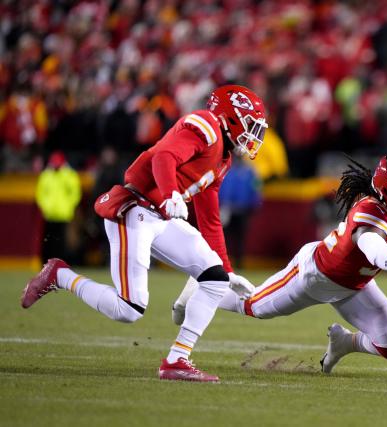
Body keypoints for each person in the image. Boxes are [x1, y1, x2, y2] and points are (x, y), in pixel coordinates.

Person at [21, 85, 269, 383]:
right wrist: (169, 194)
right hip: (135, 209)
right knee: (129, 308)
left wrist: (227, 270)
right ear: (232, 117)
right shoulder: (206, 125)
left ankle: (177, 360)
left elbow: (210, 217)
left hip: (161, 215)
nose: (254, 136)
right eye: (251, 126)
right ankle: (59, 275)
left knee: (215, 280)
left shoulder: (224, 159)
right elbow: (163, 156)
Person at [172, 152, 387, 373]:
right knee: (253, 307)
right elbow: (372, 246)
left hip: (354, 285)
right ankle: (203, 287)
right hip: (315, 276)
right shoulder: (371, 210)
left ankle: (343, 343)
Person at [35, 151, 82, 263]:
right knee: (48, 242)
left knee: (63, 242)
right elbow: (40, 193)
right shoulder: (46, 175)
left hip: (64, 214)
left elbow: (75, 193)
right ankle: (46, 264)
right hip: (50, 215)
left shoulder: (69, 175)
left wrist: (69, 206)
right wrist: (46, 207)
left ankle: (61, 264)